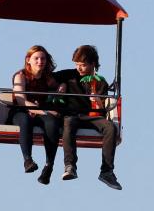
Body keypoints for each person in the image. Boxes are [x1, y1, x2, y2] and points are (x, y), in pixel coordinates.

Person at [60, 44, 122, 190]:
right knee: (68, 122)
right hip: (73, 115)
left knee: (110, 127)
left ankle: (107, 171)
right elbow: (49, 77)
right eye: (77, 65)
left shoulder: (100, 82)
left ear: (92, 64)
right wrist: (60, 85)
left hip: (91, 117)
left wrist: (96, 99)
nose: (79, 68)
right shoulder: (68, 75)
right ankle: (70, 165)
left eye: (82, 65)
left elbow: (100, 109)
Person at [10, 45, 64, 185]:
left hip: (40, 112)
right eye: (36, 58)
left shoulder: (47, 78)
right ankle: (27, 159)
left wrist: (61, 87)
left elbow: (58, 86)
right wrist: (42, 111)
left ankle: (49, 166)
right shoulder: (21, 76)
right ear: (28, 60)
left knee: (52, 123)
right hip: (21, 110)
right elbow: (21, 100)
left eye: (43, 59)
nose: (40, 61)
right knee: (25, 120)